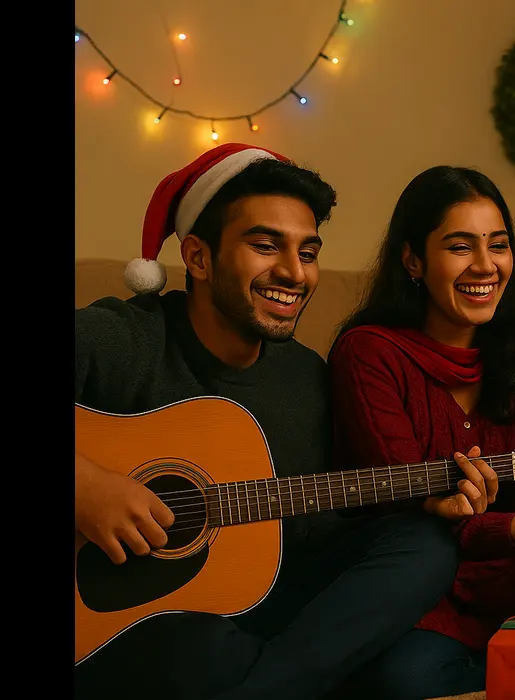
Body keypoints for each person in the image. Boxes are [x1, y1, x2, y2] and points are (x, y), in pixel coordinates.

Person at [74, 144, 458, 700]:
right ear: (199, 258)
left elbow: (319, 532)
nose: (293, 273)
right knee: (200, 653)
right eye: (265, 245)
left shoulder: (308, 381)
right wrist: (85, 484)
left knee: (425, 545)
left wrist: (425, 493)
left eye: (308, 251)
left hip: (254, 609)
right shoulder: (122, 339)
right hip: (130, 627)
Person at [326, 165, 515, 699]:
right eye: (460, 246)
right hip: (423, 589)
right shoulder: (368, 354)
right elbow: (408, 516)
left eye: (498, 245)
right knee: (407, 680)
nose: (486, 266)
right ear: (413, 259)